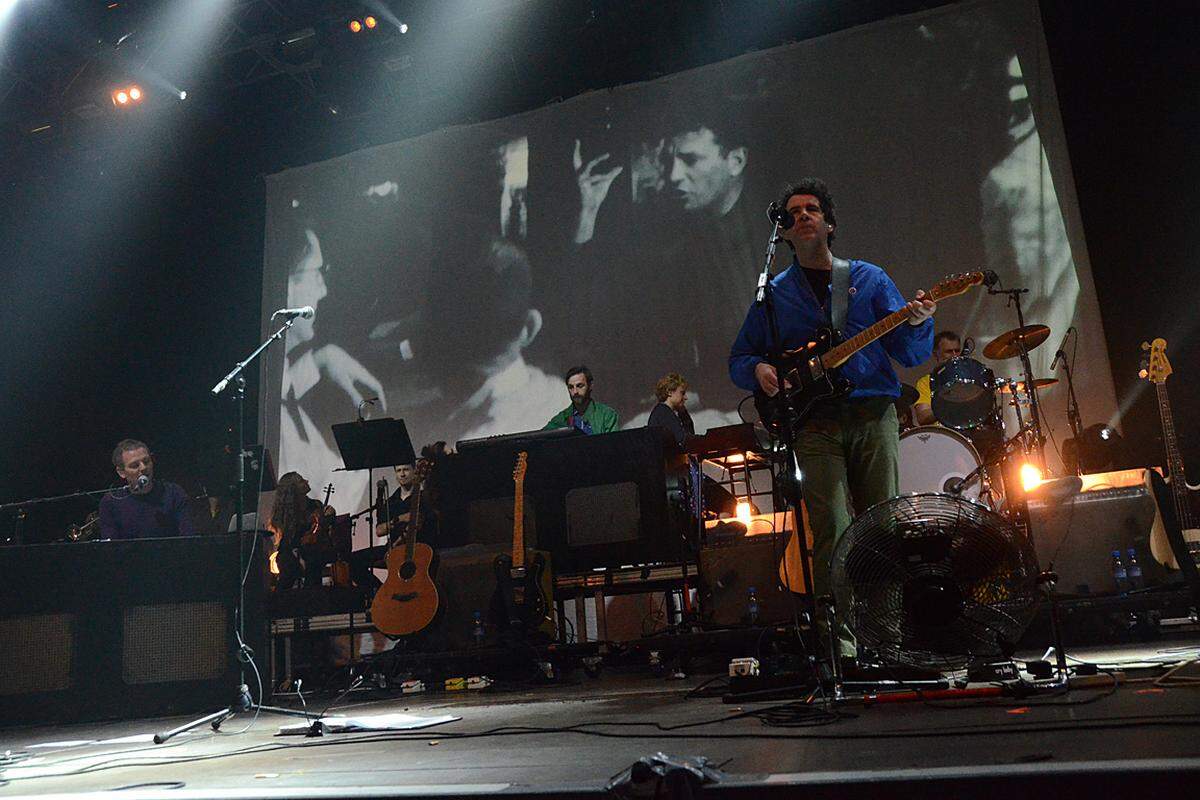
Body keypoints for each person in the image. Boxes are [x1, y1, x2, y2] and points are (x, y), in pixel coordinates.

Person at [729, 178, 936, 657]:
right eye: (794, 212)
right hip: (814, 421)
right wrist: (759, 368)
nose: (802, 215)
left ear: (829, 224)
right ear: (783, 230)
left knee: (883, 524)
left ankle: (887, 639)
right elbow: (741, 355)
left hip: (872, 411)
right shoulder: (774, 294)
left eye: (812, 209)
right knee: (832, 529)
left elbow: (906, 350)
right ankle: (840, 649)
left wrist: (921, 320)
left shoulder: (868, 278)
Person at [348, 462, 432, 593]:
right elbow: (379, 530)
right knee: (353, 561)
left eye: (406, 470)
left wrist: (395, 546)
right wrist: (399, 519)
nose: (402, 474)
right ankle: (381, 592)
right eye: (398, 471)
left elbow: (417, 525)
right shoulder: (391, 501)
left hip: (417, 548)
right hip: (392, 547)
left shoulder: (424, 498)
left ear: (415, 472)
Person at [98, 439, 198, 540]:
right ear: (121, 472)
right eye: (135, 465)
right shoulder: (111, 502)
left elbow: (189, 537)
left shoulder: (173, 493)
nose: (143, 467)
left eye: (146, 461)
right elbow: (110, 548)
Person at [268, 471, 336, 591]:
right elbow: (291, 539)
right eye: (301, 480)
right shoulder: (288, 512)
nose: (306, 481)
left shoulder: (315, 505)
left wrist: (329, 516)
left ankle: (312, 597)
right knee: (288, 566)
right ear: (293, 489)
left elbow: (322, 531)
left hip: (313, 550)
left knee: (314, 559)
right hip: (290, 550)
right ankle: (279, 602)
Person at [544, 366, 620, 435]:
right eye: (571, 387)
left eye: (579, 386)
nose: (575, 391)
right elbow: (539, 439)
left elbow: (614, 446)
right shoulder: (561, 418)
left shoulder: (607, 415)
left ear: (590, 385)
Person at [913, 330, 964, 426]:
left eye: (957, 351)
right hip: (940, 437)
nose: (954, 356)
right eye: (948, 352)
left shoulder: (970, 379)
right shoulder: (926, 382)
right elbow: (923, 417)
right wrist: (951, 405)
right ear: (936, 354)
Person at [647, 372, 696, 448]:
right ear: (669, 392)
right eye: (682, 393)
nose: (686, 397)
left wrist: (683, 413)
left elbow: (689, 436)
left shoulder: (664, 411)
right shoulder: (663, 412)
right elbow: (683, 440)